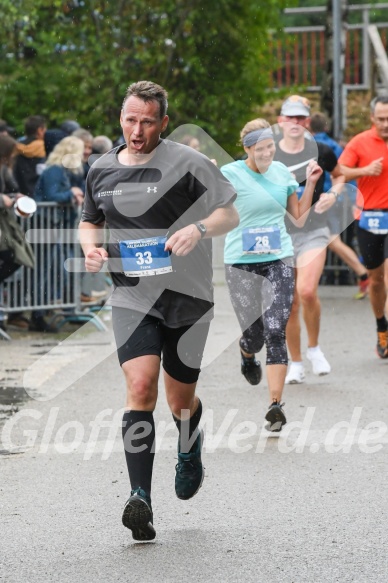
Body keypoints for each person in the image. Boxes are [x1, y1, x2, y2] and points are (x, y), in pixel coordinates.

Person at [79, 80, 239, 541]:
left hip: (187, 296)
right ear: (121, 118)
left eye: (148, 121)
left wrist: (201, 229)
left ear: (164, 123)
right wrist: (91, 250)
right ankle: (140, 499)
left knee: (179, 401)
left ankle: (190, 448)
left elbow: (230, 213)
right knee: (142, 386)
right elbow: (90, 221)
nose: (137, 129)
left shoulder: (188, 163)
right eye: (131, 119)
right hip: (132, 296)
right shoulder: (101, 170)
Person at [221, 119, 322, 431]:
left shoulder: (282, 173)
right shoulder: (230, 174)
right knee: (254, 334)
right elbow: (207, 205)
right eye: (260, 148)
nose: (267, 152)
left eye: (270, 147)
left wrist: (312, 183)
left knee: (276, 329)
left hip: (278, 258)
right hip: (240, 262)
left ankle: (275, 406)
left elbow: (300, 218)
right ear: (247, 149)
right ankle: (246, 352)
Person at [273, 95, 345, 384]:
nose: (295, 123)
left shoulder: (322, 150)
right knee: (289, 304)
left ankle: (314, 348)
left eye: (300, 118)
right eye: (289, 117)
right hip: (279, 235)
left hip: (314, 230)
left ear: (307, 121)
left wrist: (332, 193)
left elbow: (339, 176)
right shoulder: (268, 152)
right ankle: (296, 362)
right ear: (280, 121)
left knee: (307, 291)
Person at [339, 95, 388, 358]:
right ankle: (382, 325)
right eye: (381, 119)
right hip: (369, 218)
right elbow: (340, 172)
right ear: (372, 118)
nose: (385, 124)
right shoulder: (360, 142)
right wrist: (365, 170)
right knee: (377, 281)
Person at [309, 112, 369, 298]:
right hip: (337, 199)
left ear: (309, 128)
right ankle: (360, 274)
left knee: (330, 240)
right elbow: (343, 172)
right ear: (326, 128)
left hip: (318, 201)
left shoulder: (308, 147)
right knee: (332, 240)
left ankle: (361, 274)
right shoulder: (334, 146)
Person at [31, 136, 85, 331]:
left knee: (49, 271)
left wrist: (73, 191)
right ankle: (37, 315)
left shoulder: (60, 171)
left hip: (50, 227)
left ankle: (40, 313)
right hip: (45, 227)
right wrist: (72, 193)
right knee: (43, 273)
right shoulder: (55, 171)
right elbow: (52, 196)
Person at [14, 115, 47, 198]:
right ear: (40, 130)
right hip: (38, 194)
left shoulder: (16, 148)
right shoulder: (43, 147)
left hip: (19, 193)